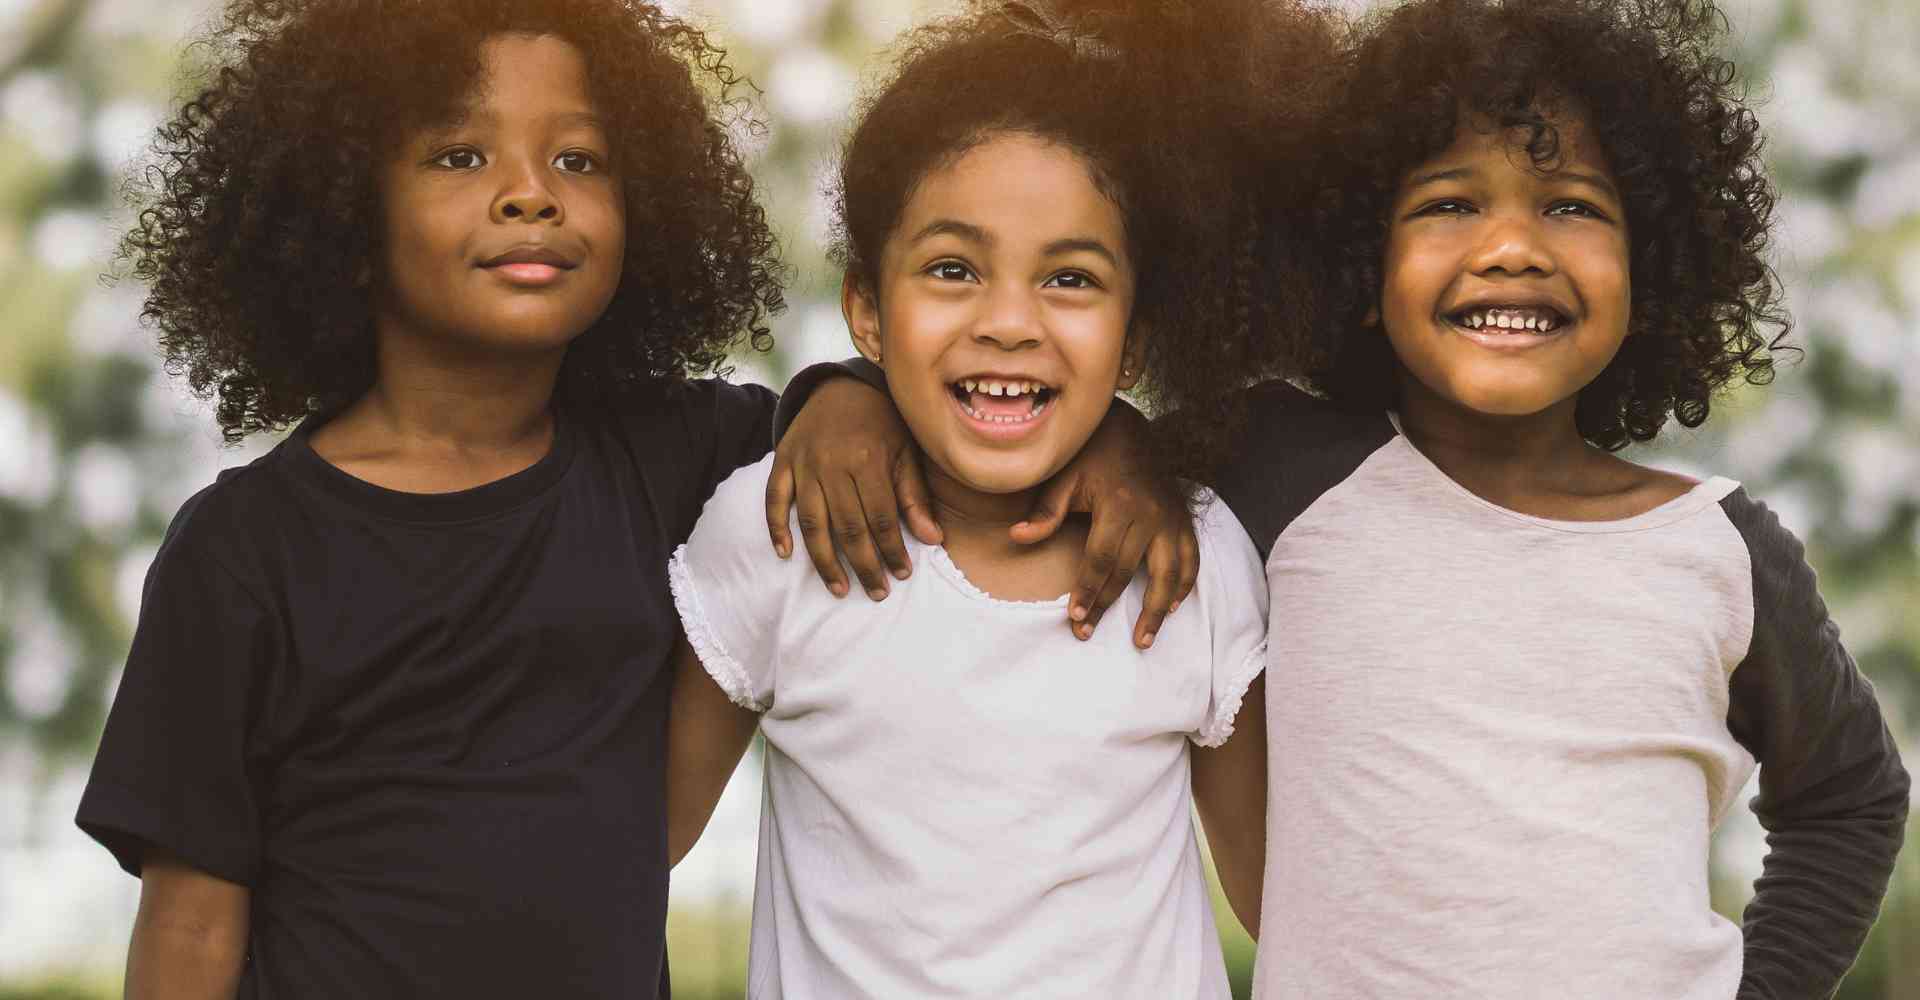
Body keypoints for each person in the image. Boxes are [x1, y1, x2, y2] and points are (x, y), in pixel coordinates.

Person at [74, 1, 1189, 996]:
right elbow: (190, 923)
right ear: (341, 215)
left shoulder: (672, 460)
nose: (530, 193)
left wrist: (1099, 435)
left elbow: (930, 414)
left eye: (580, 159)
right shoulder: (242, 549)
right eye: (459, 156)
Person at [1210, 0, 1910, 996]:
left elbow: (1854, 796)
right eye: (1450, 203)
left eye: (1572, 204)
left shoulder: (1722, 549)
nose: (1511, 246)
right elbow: (1046, 415)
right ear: (1359, 265)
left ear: (1652, 268)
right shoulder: (1277, 466)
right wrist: (897, 400)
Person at [661, 2, 1338, 995]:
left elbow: (1292, 901)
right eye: (952, 269)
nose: (1009, 321)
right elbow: (628, 849)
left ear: (1135, 338)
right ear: (866, 311)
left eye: (1069, 276)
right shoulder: (778, 532)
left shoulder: (1193, 557)